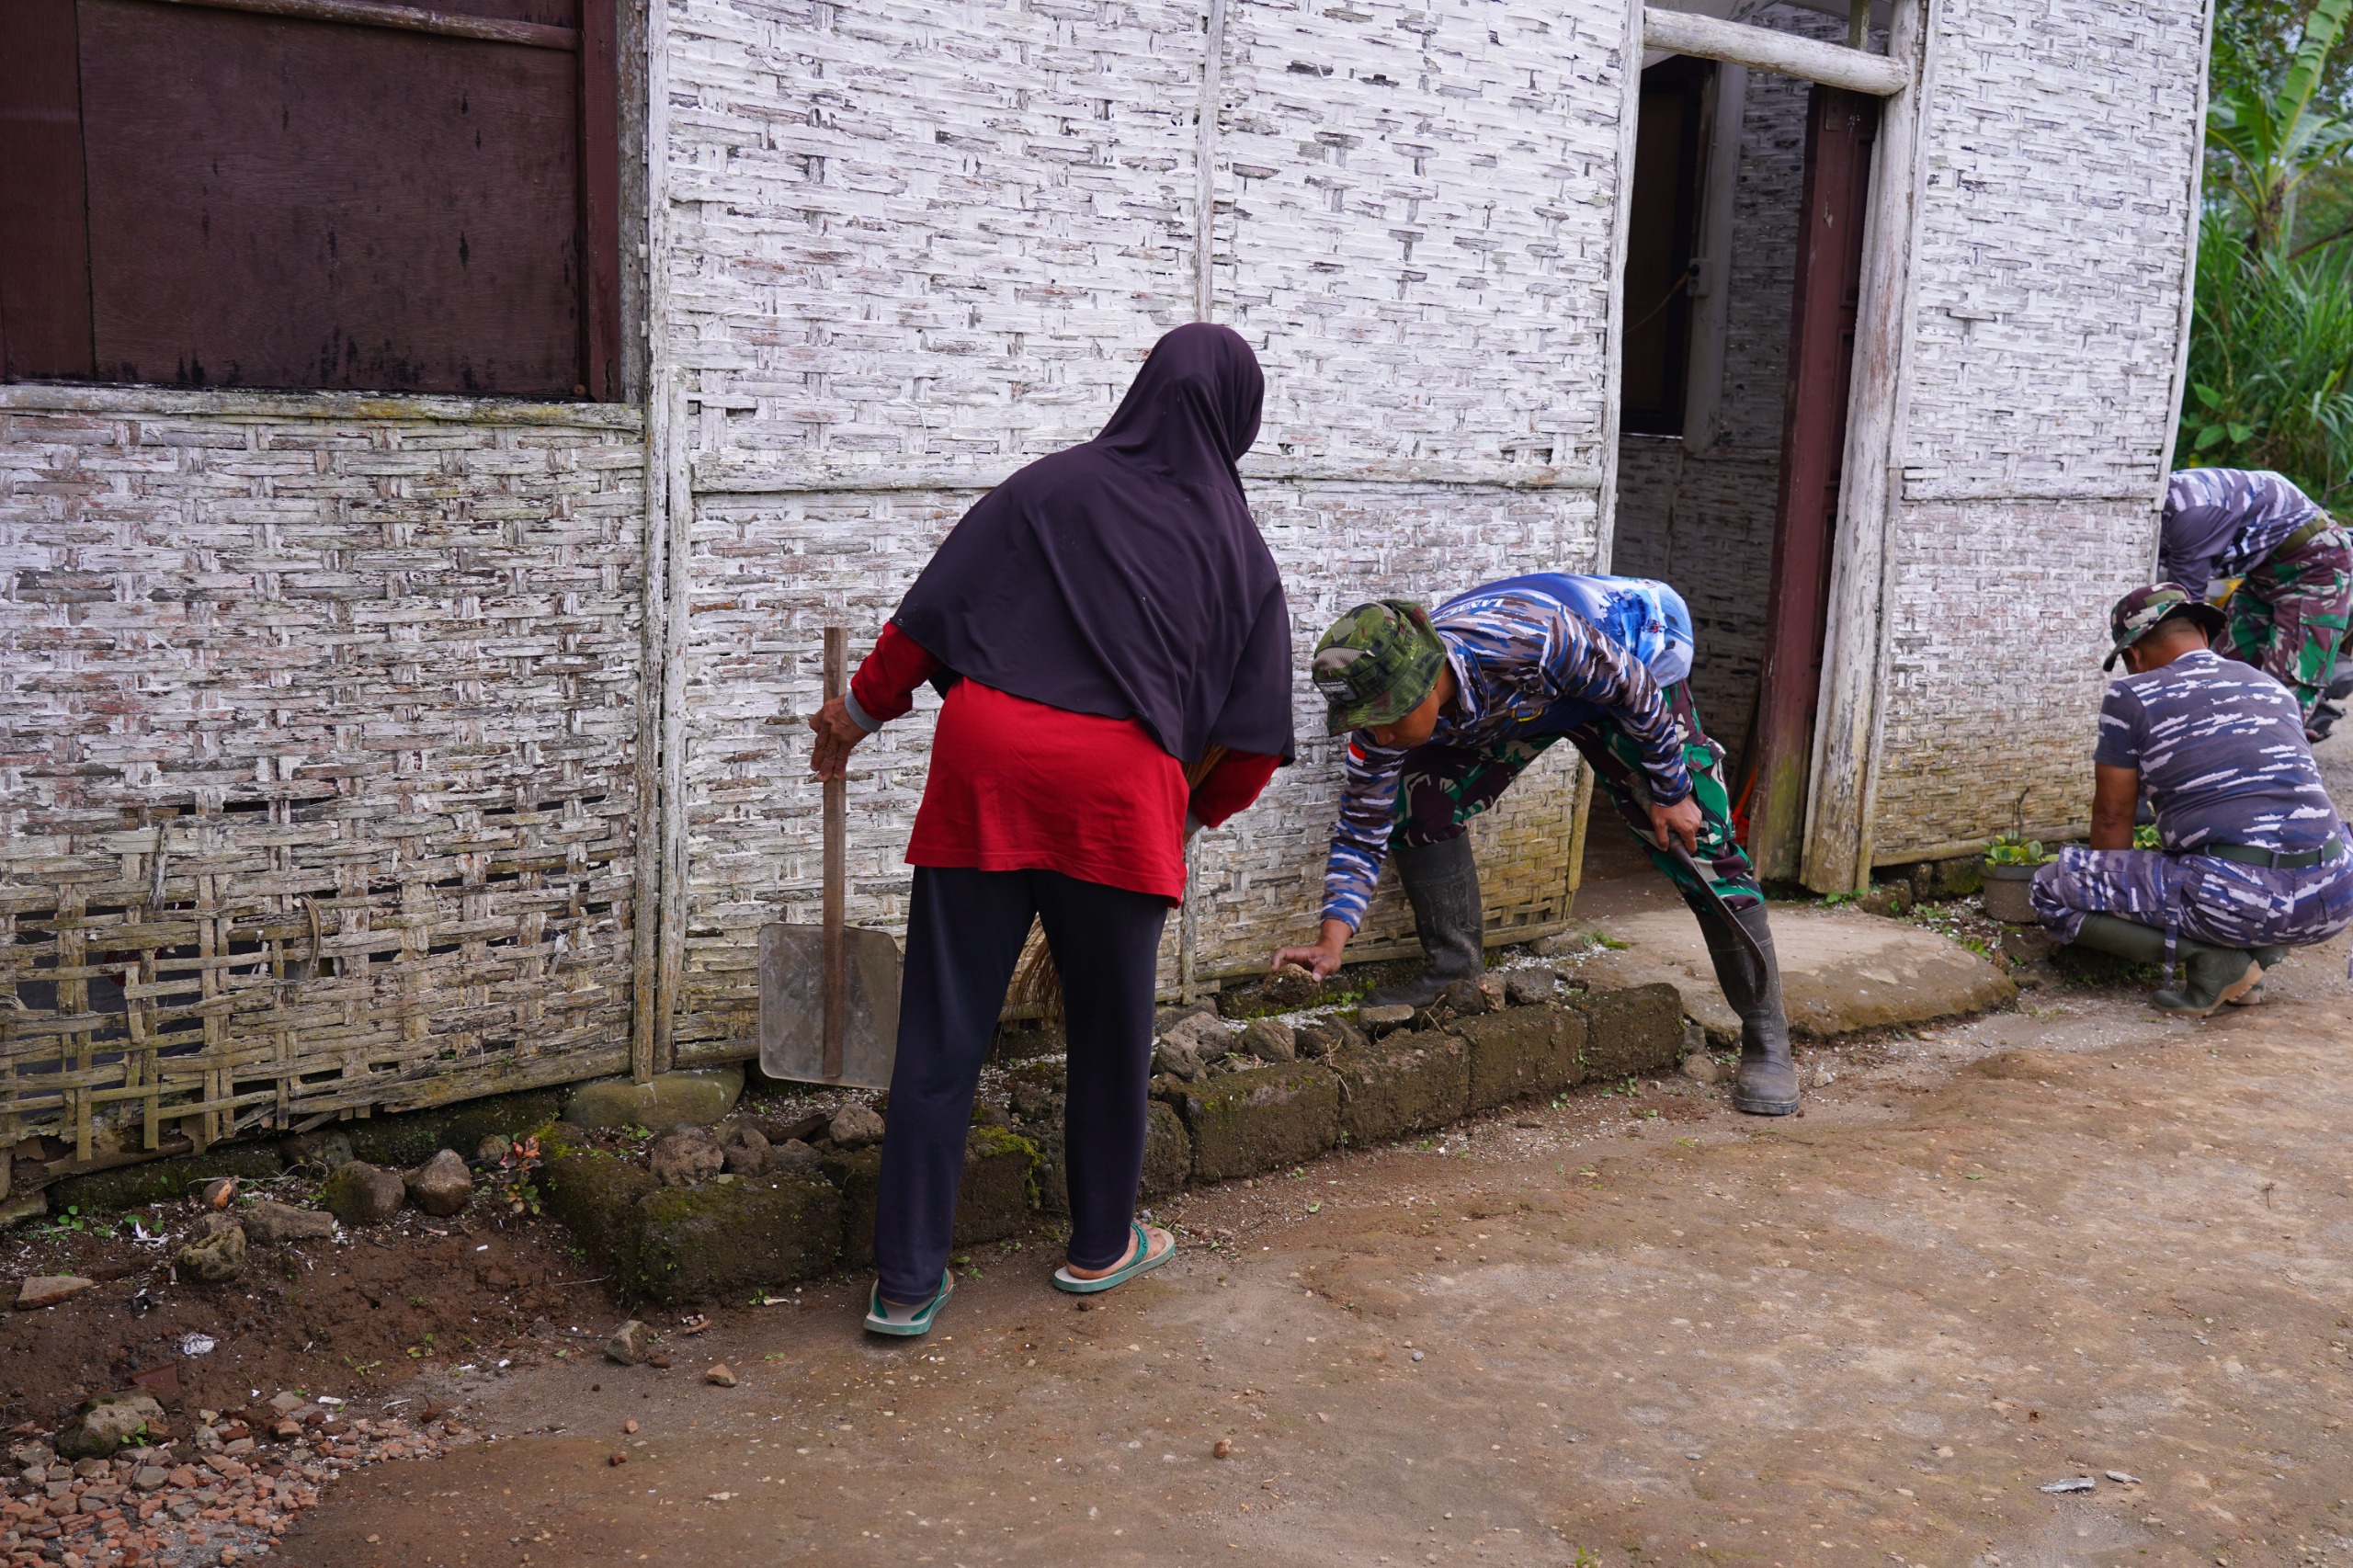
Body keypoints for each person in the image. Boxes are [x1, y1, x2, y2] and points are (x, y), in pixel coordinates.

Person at [807, 324, 1293, 1337]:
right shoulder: (1240, 552)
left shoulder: (1043, 489)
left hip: (984, 766)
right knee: (1109, 1037)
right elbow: (1250, 744)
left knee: (941, 1033)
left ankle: (905, 1283)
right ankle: (1100, 1243)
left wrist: (852, 717)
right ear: (1236, 419)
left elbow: (922, 625)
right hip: (1120, 798)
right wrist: (1184, 816)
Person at [1269, 574, 1802, 1117]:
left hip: (1634, 662)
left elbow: (1634, 689)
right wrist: (1333, 941)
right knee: (1415, 800)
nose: (1379, 737)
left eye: (1387, 719)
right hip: (1528, 700)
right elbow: (1363, 825)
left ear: (1427, 682)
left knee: (1696, 840)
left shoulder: (1531, 640)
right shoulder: (1383, 725)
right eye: (1366, 723)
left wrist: (1668, 788)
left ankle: (1766, 1038)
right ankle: (1456, 970)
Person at [2029, 584, 2353, 1014]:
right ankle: (2259, 958)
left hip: (2241, 900)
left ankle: (2214, 960)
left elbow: (2112, 815)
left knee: (2049, 887)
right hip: (2334, 896)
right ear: (2203, 630)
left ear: (2134, 654)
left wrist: (2110, 887)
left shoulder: (2131, 696)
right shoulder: (2272, 687)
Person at [2159, 468, 2350, 736]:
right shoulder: (2147, 508)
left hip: (2315, 565)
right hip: (2262, 570)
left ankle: (2274, 757)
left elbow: (2182, 613)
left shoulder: (2189, 515)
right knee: (2226, 670)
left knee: (2284, 692)